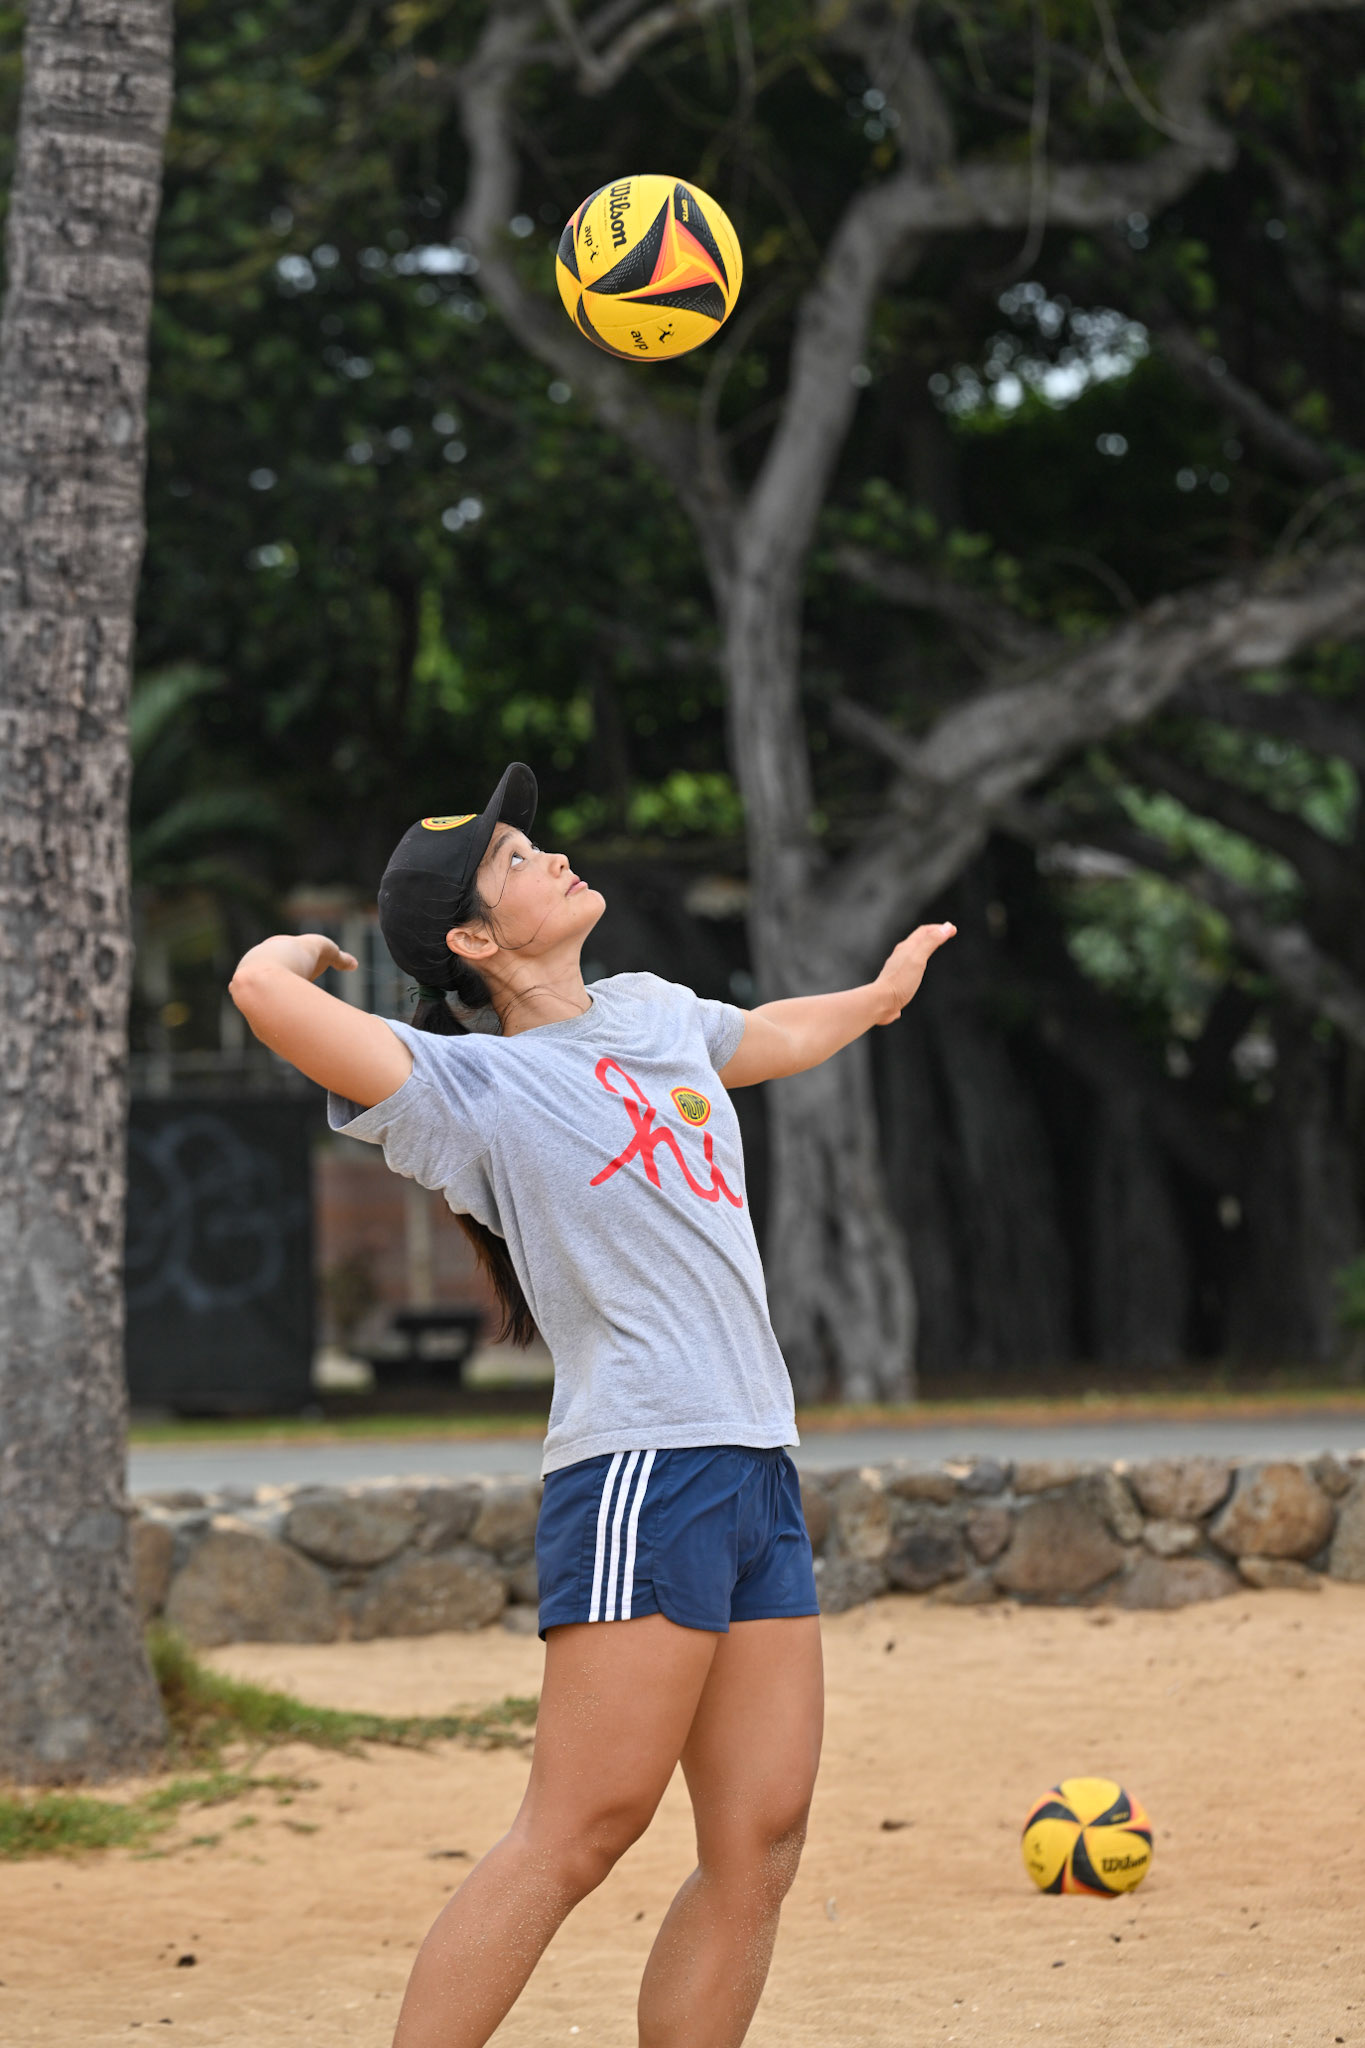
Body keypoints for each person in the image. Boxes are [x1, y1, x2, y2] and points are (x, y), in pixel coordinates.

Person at [229, 761, 954, 2048]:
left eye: (531, 840)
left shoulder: (653, 1011)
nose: (550, 857)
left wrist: (880, 998)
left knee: (763, 1832)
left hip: (752, 1460)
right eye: (515, 861)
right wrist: (280, 953)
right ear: (472, 938)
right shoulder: (465, 1093)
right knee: (580, 1829)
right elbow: (262, 1000)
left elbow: (769, 1035)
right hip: (642, 1468)